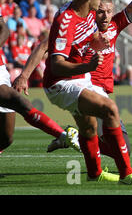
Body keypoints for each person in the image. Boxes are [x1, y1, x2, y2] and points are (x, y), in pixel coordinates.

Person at [13, 0, 132, 182]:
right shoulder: (69, 19)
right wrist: (24, 74)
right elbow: (49, 52)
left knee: (89, 129)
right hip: (67, 82)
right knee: (110, 111)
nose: (104, 11)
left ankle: (94, 172)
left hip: (83, 81)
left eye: (108, 10)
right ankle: (127, 174)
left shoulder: (104, 22)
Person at [0, 9, 80, 155]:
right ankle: (63, 136)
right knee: (19, 102)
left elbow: (3, 27)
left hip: (0, 69)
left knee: (5, 138)